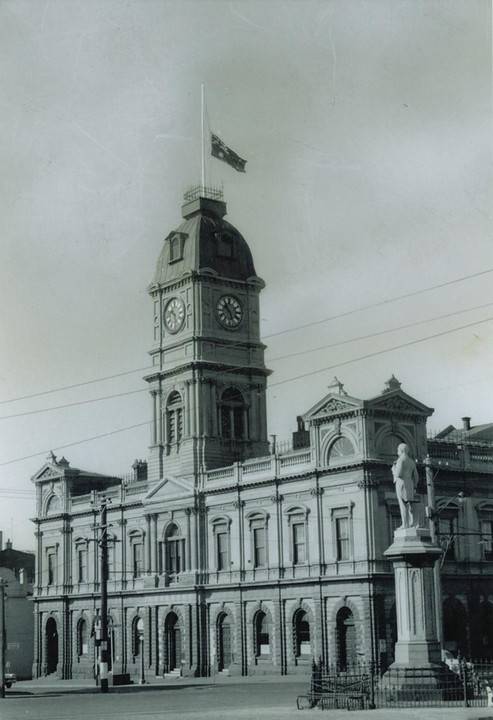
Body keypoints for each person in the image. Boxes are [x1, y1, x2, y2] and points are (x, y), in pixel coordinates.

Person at [392, 443, 419, 529]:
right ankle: (412, 523)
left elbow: (398, 474)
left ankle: (405, 524)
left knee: (402, 504)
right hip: (410, 483)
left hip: (401, 483)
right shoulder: (411, 461)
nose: (397, 452)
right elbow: (416, 476)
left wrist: (393, 469)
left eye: (398, 450)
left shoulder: (400, 460)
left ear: (401, 450)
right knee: (409, 504)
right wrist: (414, 486)